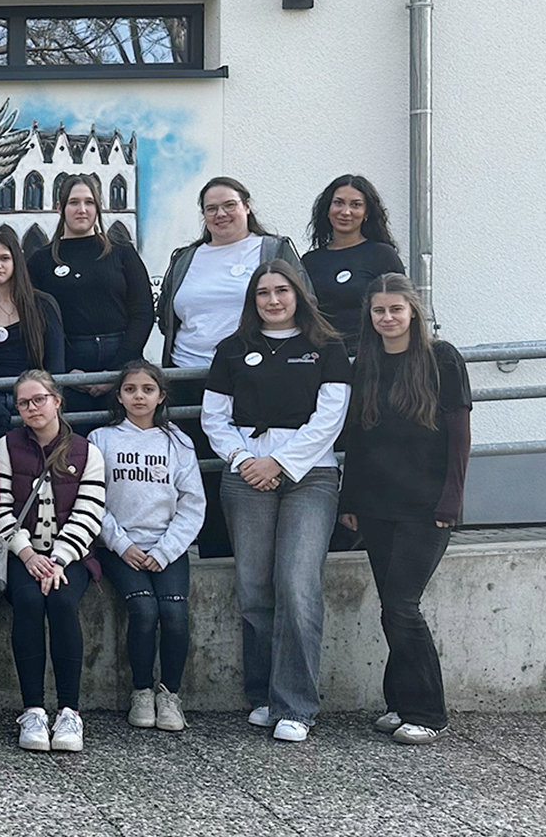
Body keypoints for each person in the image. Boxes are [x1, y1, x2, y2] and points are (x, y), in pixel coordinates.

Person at [202, 260, 349, 743]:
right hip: (246, 474)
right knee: (254, 589)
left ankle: (297, 706)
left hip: (311, 475)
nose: (273, 300)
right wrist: (245, 459)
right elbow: (214, 416)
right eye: (263, 292)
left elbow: (330, 417)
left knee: (296, 584)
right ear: (253, 300)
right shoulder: (232, 348)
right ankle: (264, 696)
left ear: (298, 294)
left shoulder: (327, 346)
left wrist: (281, 463)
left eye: (281, 290)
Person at [338, 274, 471, 745]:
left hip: (426, 506)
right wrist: (350, 499)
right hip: (377, 505)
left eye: (396, 309)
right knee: (391, 609)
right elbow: (358, 438)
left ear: (413, 311)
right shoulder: (367, 363)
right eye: (379, 310)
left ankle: (429, 713)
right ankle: (399, 702)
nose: (388, 317)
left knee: (402, 605)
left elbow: (459, 435)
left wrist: (452, 498)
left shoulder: (442, 358)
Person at [155, 177, 307, 556]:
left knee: (247, 468)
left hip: (254, 379)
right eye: (211, 208)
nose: (220, 214)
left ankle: (253, 557)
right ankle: (212, 552)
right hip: (189, 378)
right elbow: (167, 314)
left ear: (246, 206)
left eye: (229, 205)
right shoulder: (186, 258)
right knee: (201, 471)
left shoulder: (272, 249)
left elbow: (303, 305)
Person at [0, 369, 106, 754]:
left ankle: (70, 711)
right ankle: (33, 710)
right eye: (23, 402)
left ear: (57, 400)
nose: (32, 408)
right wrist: (27, 553)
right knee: (28, 600)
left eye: (39, 399)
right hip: (21, 552)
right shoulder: (6, 446)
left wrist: (57, 559)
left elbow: (90, 512)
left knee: (61, 602)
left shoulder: (86, 451)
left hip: (69, 556)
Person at [88, 361, 205, 732]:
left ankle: (169, 695)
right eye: (130, 389)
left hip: (167, 548)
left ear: (161, 396)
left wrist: (166, 550)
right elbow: (93, 500)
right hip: (120, 548)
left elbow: (192, 503)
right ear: (119, 397)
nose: (139, 396)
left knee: (174, 615)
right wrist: (120, 544)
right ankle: (141, 691)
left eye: (147, 389)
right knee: (143, 609)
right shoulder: (101, 440)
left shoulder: (179, 442)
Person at [28, 177, 155, 413]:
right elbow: (35, 322)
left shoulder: (122, 251)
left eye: (89, 202)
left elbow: (143, 312)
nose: (82, 209)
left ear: (98, 207)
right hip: (69, 369)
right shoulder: (40, 260)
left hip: (123, 367)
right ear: (59, 207)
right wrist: (66, 370)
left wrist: (117, 371)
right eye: (74, 202)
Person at [0, 226, 65, 434]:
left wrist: (43, 402)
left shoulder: (43, 305)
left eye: (4, 258)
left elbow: (56, 364)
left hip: (37, 402)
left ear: (16, 261)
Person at [301, 175, 405, 353]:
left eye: (356, 205)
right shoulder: (310, 261)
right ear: (327, 209)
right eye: (339, 203)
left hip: (372, 356)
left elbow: (402, 308)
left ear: (366, 213)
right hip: (323, 356)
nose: (346, 211)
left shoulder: (383, 255)